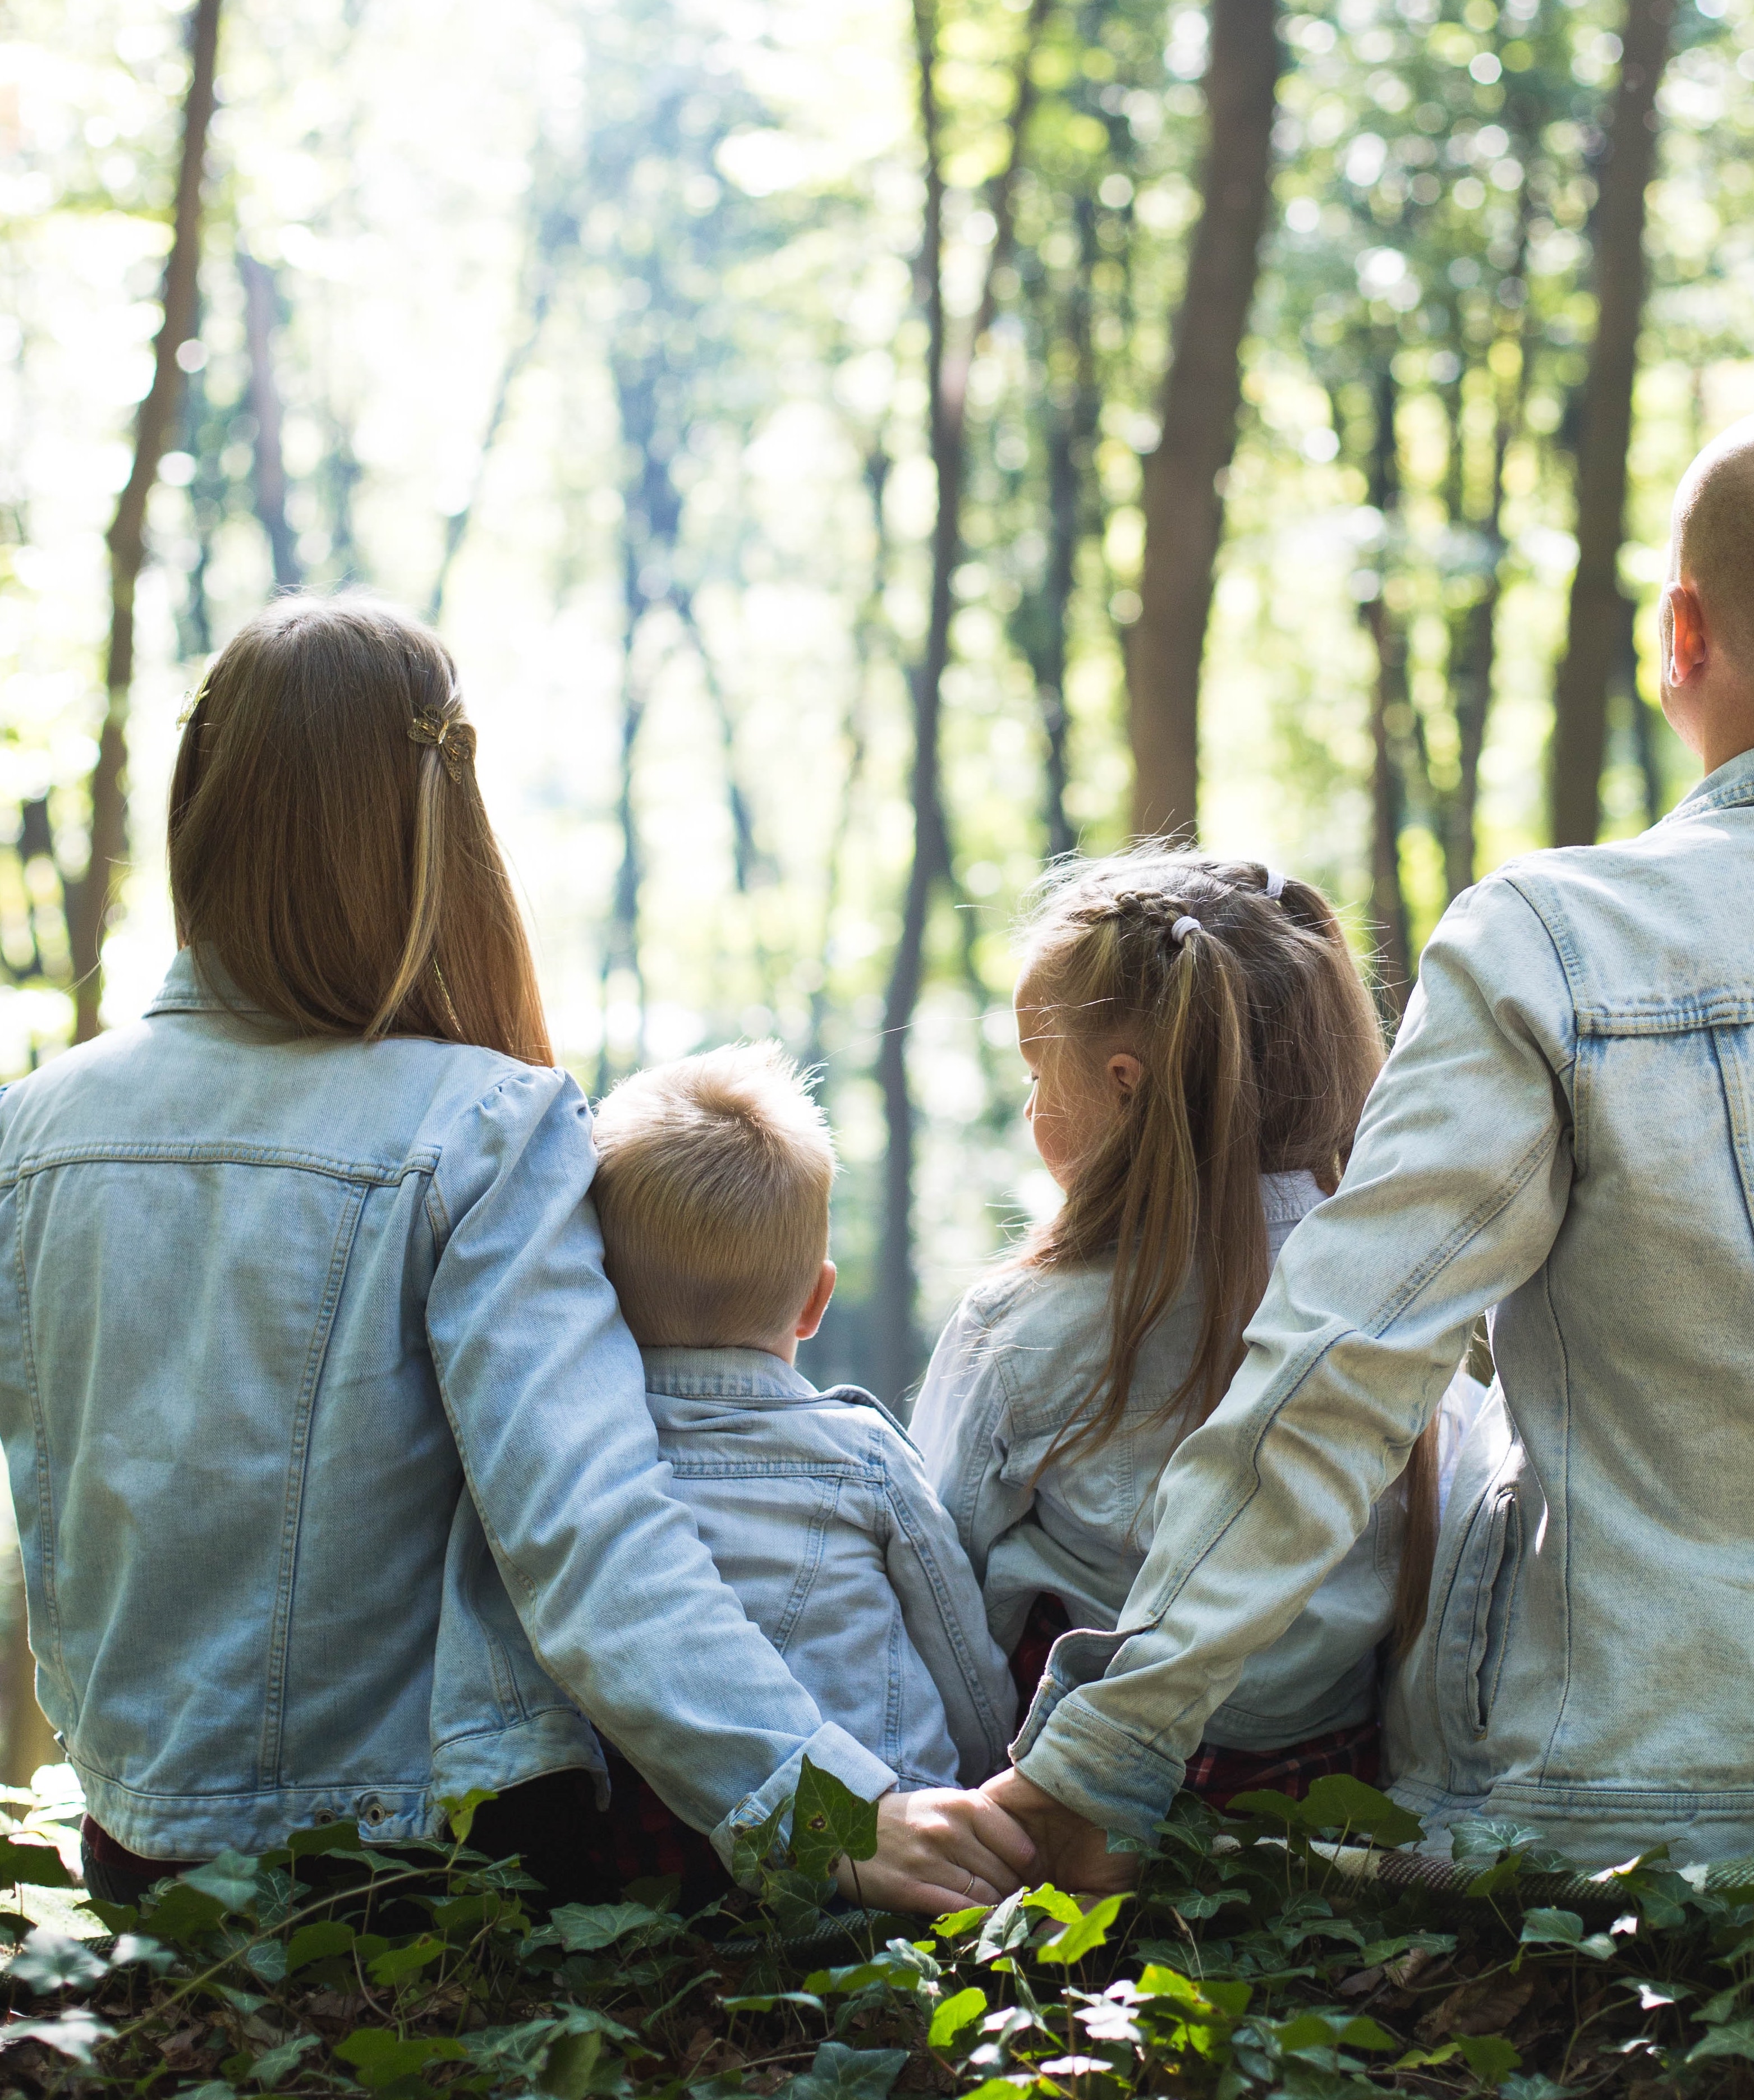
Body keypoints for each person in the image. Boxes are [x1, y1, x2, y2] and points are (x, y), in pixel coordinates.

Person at [981, 403, 1754, 1882]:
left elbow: (1338, 1367)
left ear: (1676, 631)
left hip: (1619, 1814)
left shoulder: (1552, 941)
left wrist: (1100, 1756)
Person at [7, 592, 1030, 1914]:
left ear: (198, 803)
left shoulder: (27, 1129)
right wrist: (820, 1805)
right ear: (438, 824)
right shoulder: (482, 1125)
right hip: (412, 1873)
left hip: (139, 1858)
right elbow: (587, 1530)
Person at [914, 852, 1484, 1806]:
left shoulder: (1021, 1327)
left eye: (1035, 1071)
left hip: (1063, 1795)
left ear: (1124, 1084)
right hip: (1327, 1793)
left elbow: (937, 1573)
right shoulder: (1404, 1315)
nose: (1027, 1108)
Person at [589, 1044, 1015, 1816]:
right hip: (886, 1839)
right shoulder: (863, 1458)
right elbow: (963, 1665)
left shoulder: (577, 1466)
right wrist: (987, 1773)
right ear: (816, 1301)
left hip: (660, 1852)